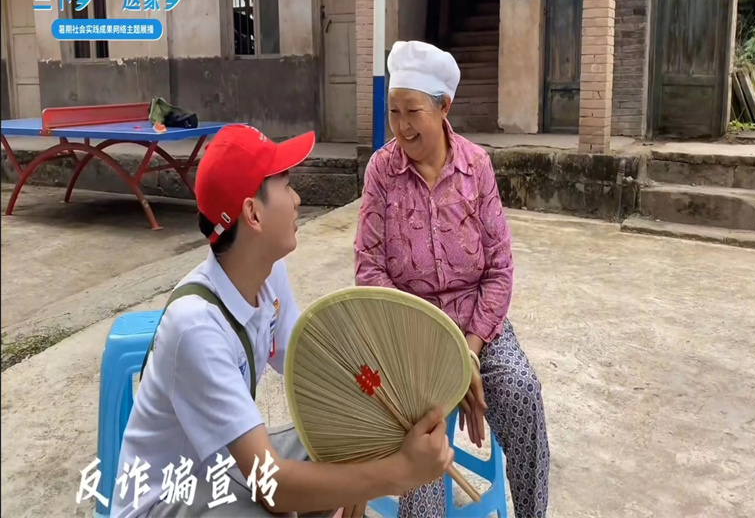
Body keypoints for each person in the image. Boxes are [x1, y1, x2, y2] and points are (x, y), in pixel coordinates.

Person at [111, 124, 455, 518]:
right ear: (253, 214)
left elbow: (315, 364)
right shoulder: (197, 328)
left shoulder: (267, 273)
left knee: (344, 438)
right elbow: (270, 486)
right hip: (169, 498)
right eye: (287, 186)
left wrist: (382, 416)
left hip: (226, 468)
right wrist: (397, 474)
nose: (297, 199)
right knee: (283, 504)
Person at [354, 41, 550, 517]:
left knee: (521, 391)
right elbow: (369, 267)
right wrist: (441, 356)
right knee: (422, 436)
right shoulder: (382, 171)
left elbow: (499, 268)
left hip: (477, 328)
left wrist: (468, 352)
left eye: (413, 111)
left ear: (444, 107)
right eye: (394, 111)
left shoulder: (475, 166)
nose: (401, 126)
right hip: (412, 337)